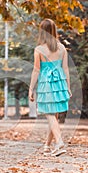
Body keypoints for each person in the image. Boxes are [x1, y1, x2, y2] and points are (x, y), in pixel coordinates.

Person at [29, 18, 72, 156]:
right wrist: (67, 87)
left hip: (46, 84)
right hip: (60, 84)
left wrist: (31, 89)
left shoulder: (39, 50)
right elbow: (65, 69)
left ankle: (59, 143)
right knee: (54, 116)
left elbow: (36, 70)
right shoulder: (62, 48)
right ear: (54, 31)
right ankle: (47, 146)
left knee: (50, 115)